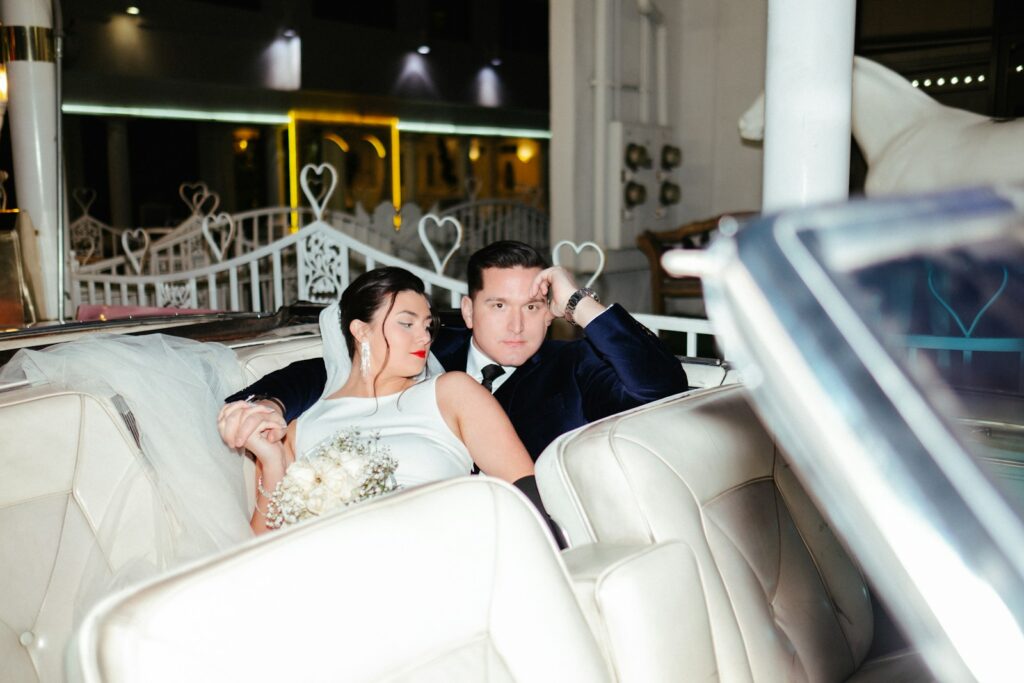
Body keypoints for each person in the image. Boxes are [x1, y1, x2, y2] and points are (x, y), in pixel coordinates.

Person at [222, 240, 688, 460]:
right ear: (468, 311)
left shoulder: (577, 365)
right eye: (498, 305)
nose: (516, 324)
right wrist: (268, 403)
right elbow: (322, 370)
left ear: (550, 313)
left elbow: (664, 387)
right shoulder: (429, 347)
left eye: (532, 306)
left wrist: (577, 301)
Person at [224, 266, 552, 538]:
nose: (424, 337)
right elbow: (263, 547)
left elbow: (525, 489)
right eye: (406, 324)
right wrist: (271, 462)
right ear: (360, 331)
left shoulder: (453, 393)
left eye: (428, 326)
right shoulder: (301, 427)